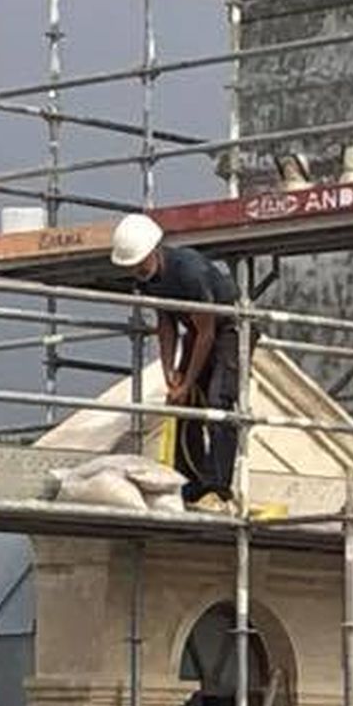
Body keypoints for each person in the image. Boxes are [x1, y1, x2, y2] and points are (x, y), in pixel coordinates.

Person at [111, 214, 245, 509]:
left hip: (228, 332)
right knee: (183, 406)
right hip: (196, 335)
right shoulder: (148, 280)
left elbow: (207, 332)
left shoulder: (189, 271)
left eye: (139, 264)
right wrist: (170, 372)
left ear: (153, 252)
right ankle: (188, 484)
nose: (137, 271)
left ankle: (217, 487)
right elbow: (166, 322)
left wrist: (188, 380)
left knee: (218, 405)